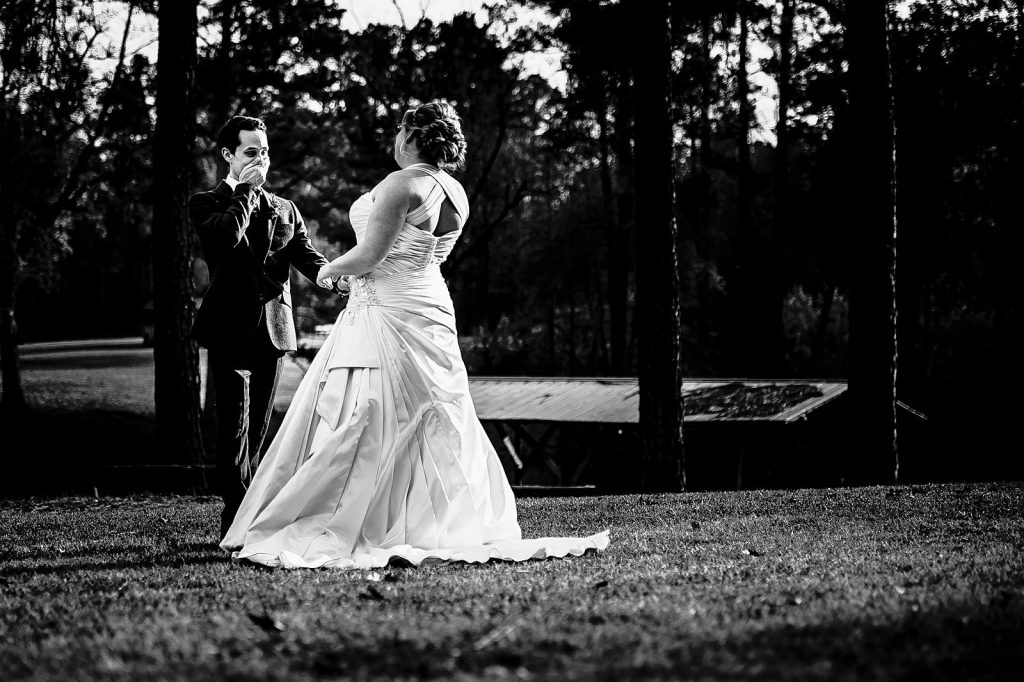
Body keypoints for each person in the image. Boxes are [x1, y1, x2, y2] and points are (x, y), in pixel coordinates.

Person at [220, 101, 608, 568]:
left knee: (370, 411)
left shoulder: (401, 184)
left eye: (400, 131)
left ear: (411, 137)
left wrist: (328, 275)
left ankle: (360, 517)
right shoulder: (457, 191)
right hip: (430, 302)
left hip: (385, 310)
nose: (394, 139)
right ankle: (434, 517)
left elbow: (370, 256)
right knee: (431, 411)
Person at [189, 115, 338, 539]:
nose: (261, 159)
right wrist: (247, 192)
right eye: (251, 152)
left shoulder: (286, 208)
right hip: (227, 328)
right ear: (228, 156)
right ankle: (236, 517)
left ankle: (249, 512)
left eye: (265, 152)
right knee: (233, 422)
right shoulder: (206, 202)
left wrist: (339, 279)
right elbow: (224, 240)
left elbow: (307, 257)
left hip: (273, 328)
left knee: (258, 429)